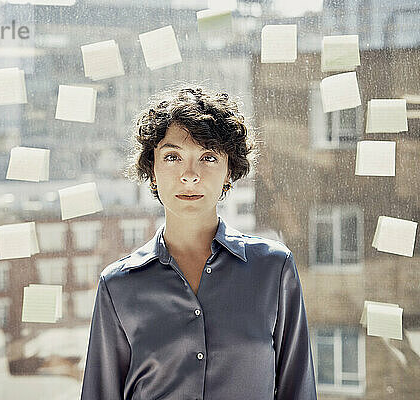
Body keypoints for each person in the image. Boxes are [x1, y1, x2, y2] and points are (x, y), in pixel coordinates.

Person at [80, 86, 317, 399]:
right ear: (151, 170)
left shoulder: (274, 269)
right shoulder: (117, 286)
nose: (189, 175)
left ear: (229, 172)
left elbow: (298, 390)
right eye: (173, 157)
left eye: (207, 157)